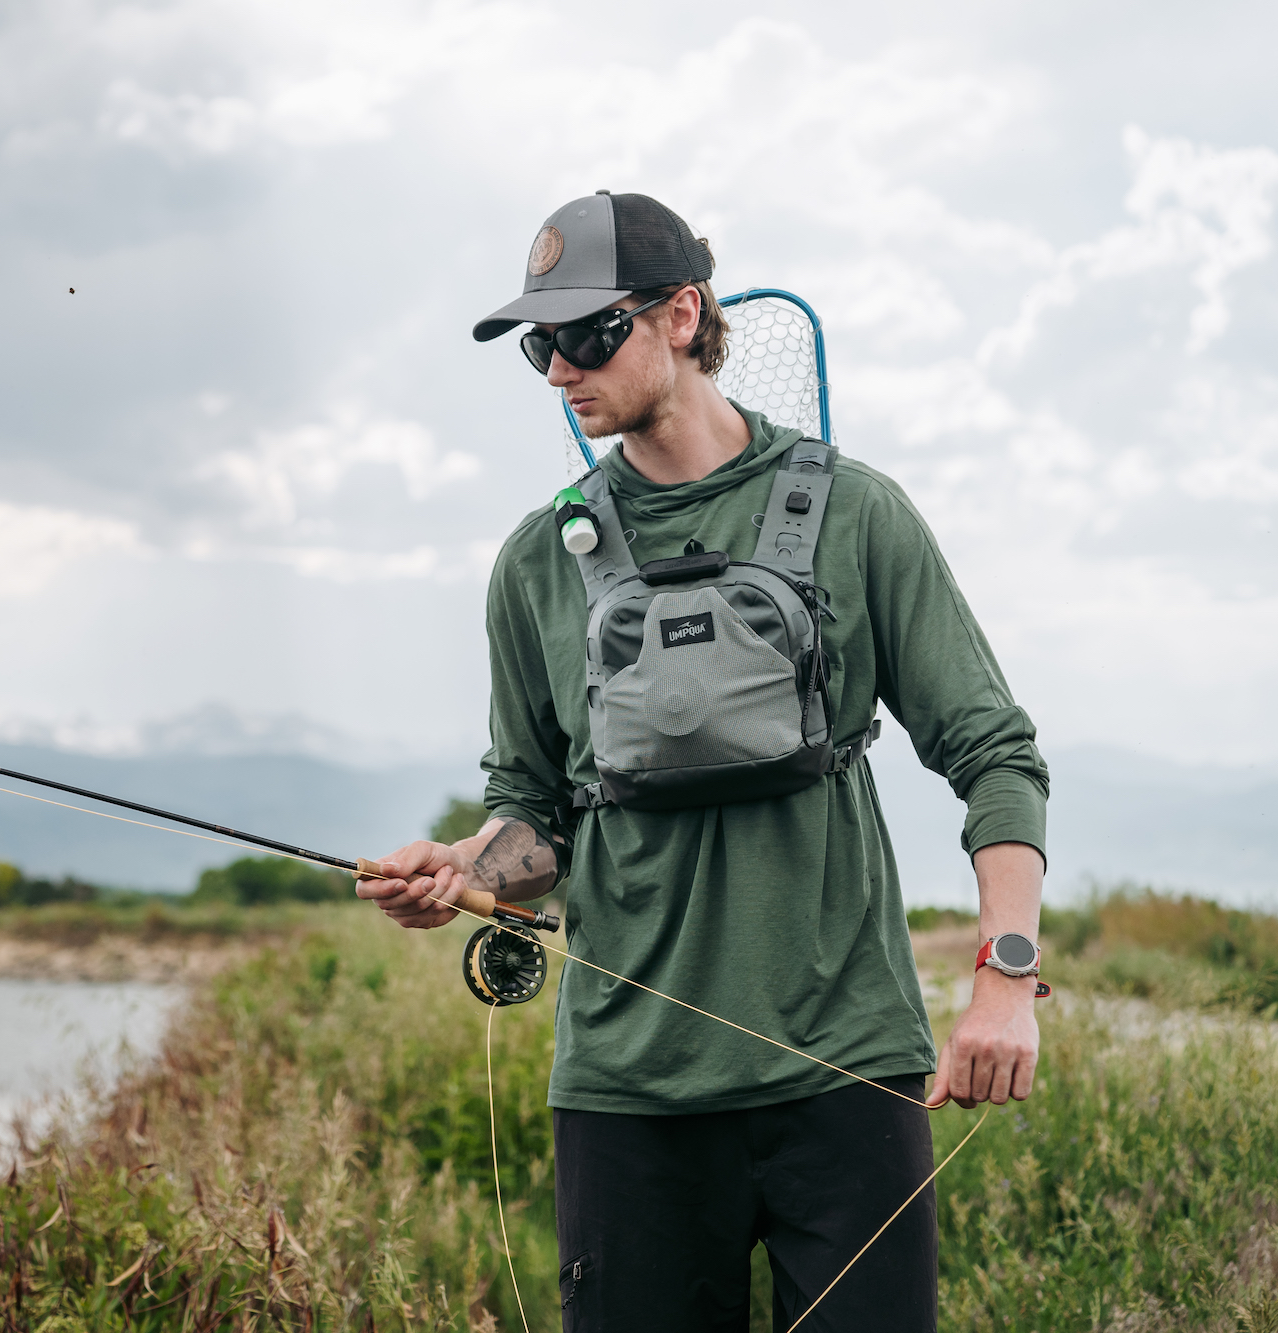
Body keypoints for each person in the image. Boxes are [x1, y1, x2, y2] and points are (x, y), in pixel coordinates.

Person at [356, 191, 1048, 1331]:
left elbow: (996, 754)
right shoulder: (537, 561)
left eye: (587, 334)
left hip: (847, 1073)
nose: (558, 371)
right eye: (538, 345)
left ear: (682, 315)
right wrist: (466, 866)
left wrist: (1005, 980)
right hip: (627, 1096)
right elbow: (533, 812)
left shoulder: (858, 514)